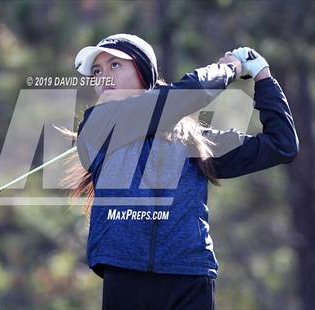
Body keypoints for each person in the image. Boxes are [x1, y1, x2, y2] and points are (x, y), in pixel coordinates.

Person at [68, 33, 299, 309]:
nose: (103, 77)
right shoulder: (97, 124)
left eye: (114, 65)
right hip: (126, 271)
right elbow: (188, 94)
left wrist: (263, 77)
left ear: (143, 71)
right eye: (97, 71)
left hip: (190, 275)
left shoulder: (194, 140)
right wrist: (230, 68)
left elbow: (281, 144)